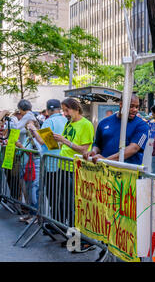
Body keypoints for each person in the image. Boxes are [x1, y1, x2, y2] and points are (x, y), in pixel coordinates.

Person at [53, 97, 95, 253]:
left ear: (76, 108)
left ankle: (77, 240)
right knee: (65, 204)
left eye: (66, 110)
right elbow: (66, 143)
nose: (65, 113)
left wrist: (65, 141)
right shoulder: (69, 123)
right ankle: (71, 238)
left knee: (74, 207)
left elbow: (85, 149)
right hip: (63, 167)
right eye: (63, 110)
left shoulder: (86, 124)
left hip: (75, 170)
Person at [26, 99, 67, 229]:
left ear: (48, 110)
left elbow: (43, 142)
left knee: (53, 196)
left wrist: (32, 129)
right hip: (64, 163)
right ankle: (60, 223)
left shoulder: (50, 121)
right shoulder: (66, 120)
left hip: (51, 164)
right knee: (62, 196)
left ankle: (56, 224)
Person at [84, 94, 150, 165]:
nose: (135, 110)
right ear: (121, 104)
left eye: (137, 107)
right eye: (131, 106)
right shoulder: (104, 122)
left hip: (128, 173)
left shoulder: (142, 125)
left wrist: (106, 160)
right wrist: (93, 151)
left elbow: (134, 148)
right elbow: (97, 144)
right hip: (104, 173)